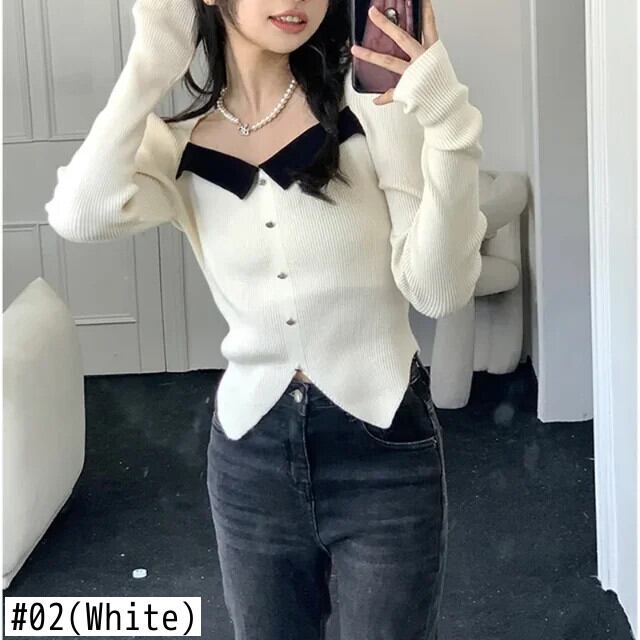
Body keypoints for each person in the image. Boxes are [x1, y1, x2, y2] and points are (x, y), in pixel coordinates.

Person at [45, 0, 488, 638]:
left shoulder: (369, 106)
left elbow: (438, 292)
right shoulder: (175, 142)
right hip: (251, 455)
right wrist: (153, 59)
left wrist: (449, 124)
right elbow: (79, 214)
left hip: (384, 444)